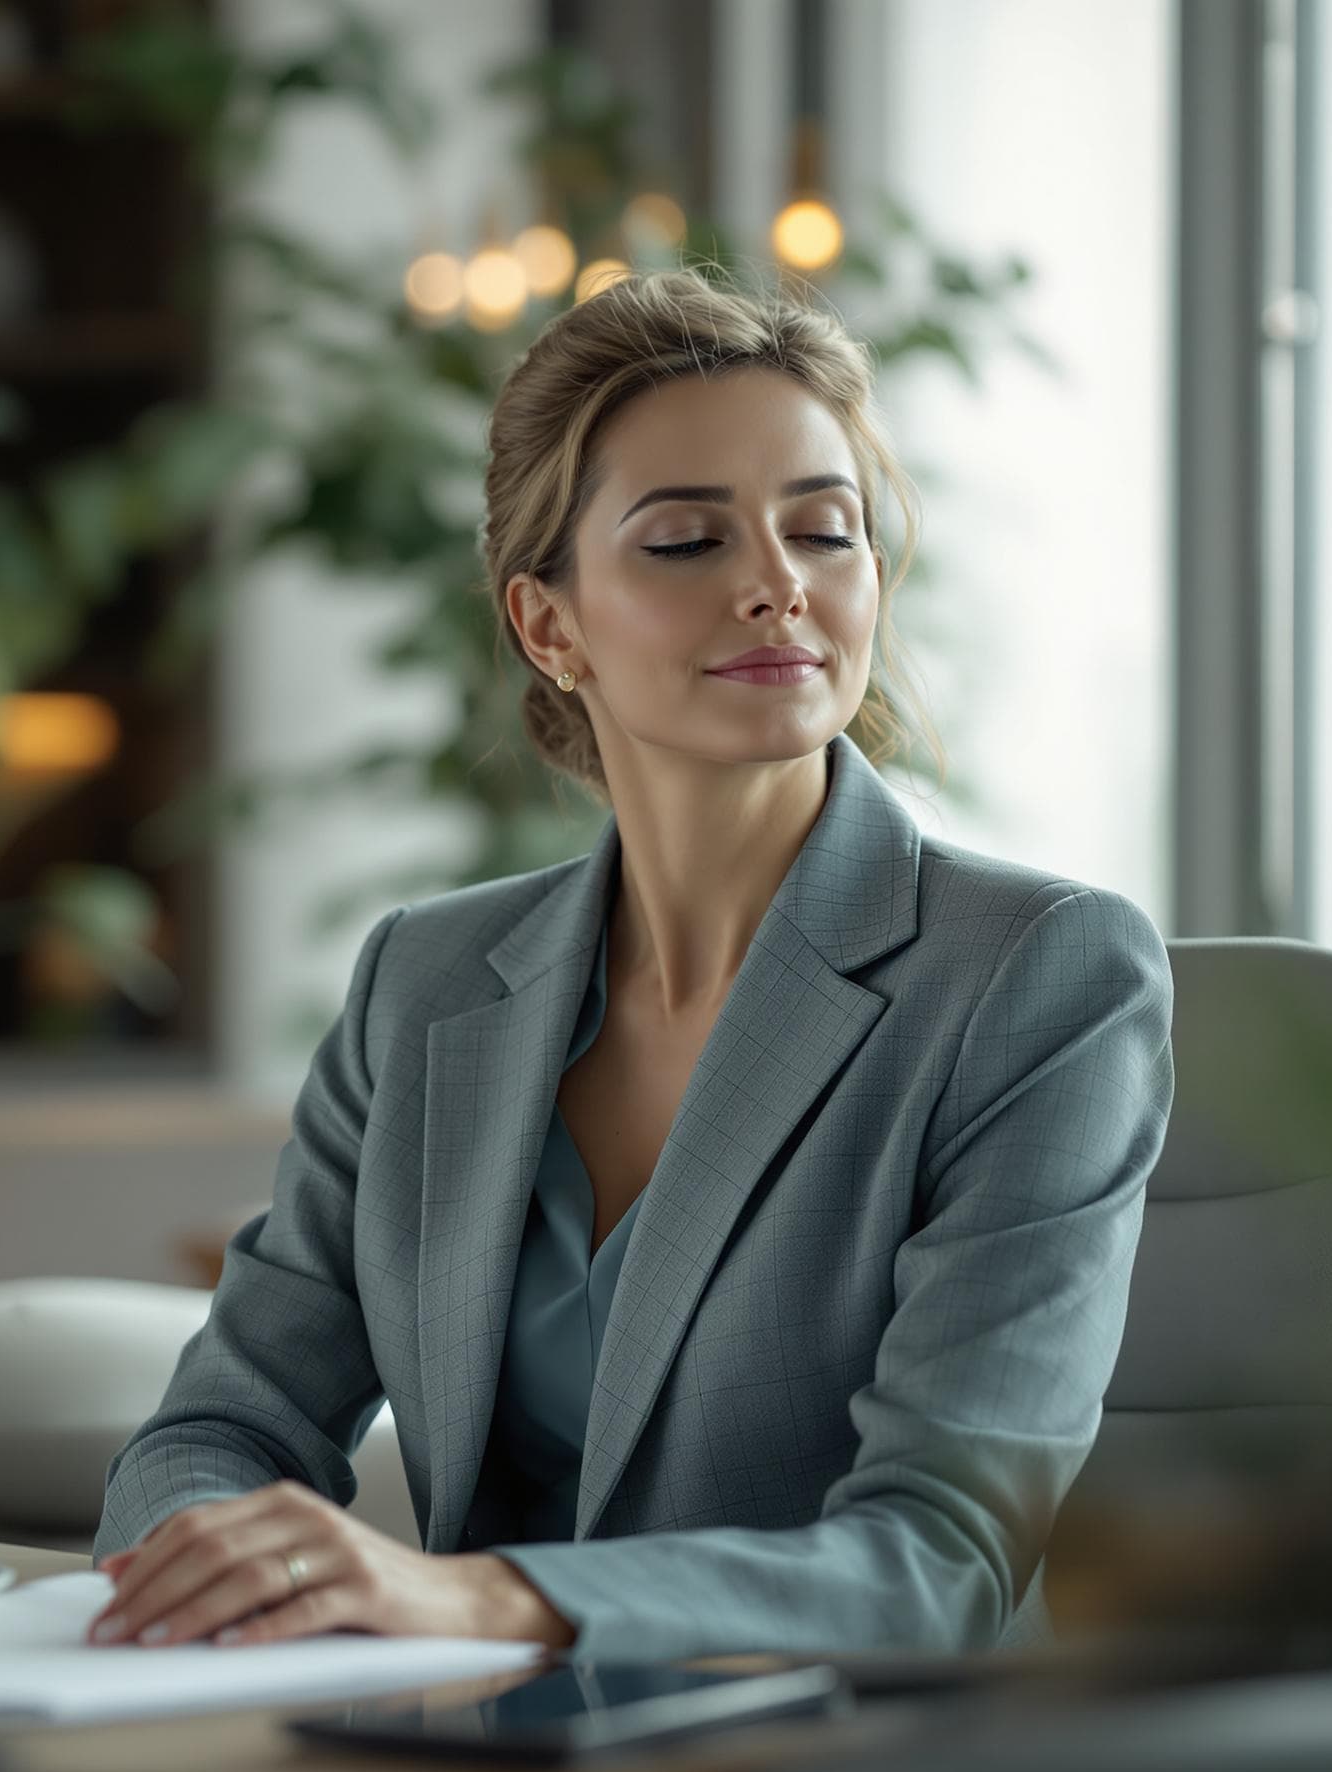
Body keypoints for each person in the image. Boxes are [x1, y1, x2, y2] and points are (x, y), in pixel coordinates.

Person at [88, 267, 1175, 1661]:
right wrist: (216, 1562)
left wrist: (485, 1601)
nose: (780, 587)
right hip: (463, 1751)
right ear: (549, 625)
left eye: (825, 533)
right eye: (685, 543)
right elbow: (219, 1429)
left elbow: (941, 1560)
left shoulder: (1042, 978)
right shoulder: (426, 983)